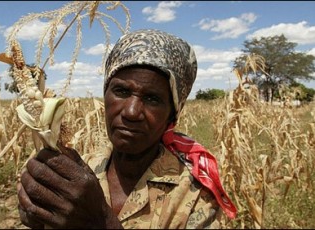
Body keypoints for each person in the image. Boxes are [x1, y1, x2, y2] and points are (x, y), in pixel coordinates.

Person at [17, 29, 237, 229]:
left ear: (172, 113)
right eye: (121, 91)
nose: (131, 112)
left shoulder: (196, 198)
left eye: (152, 98)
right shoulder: (80, 171)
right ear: (105, 96)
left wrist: (100, 221)